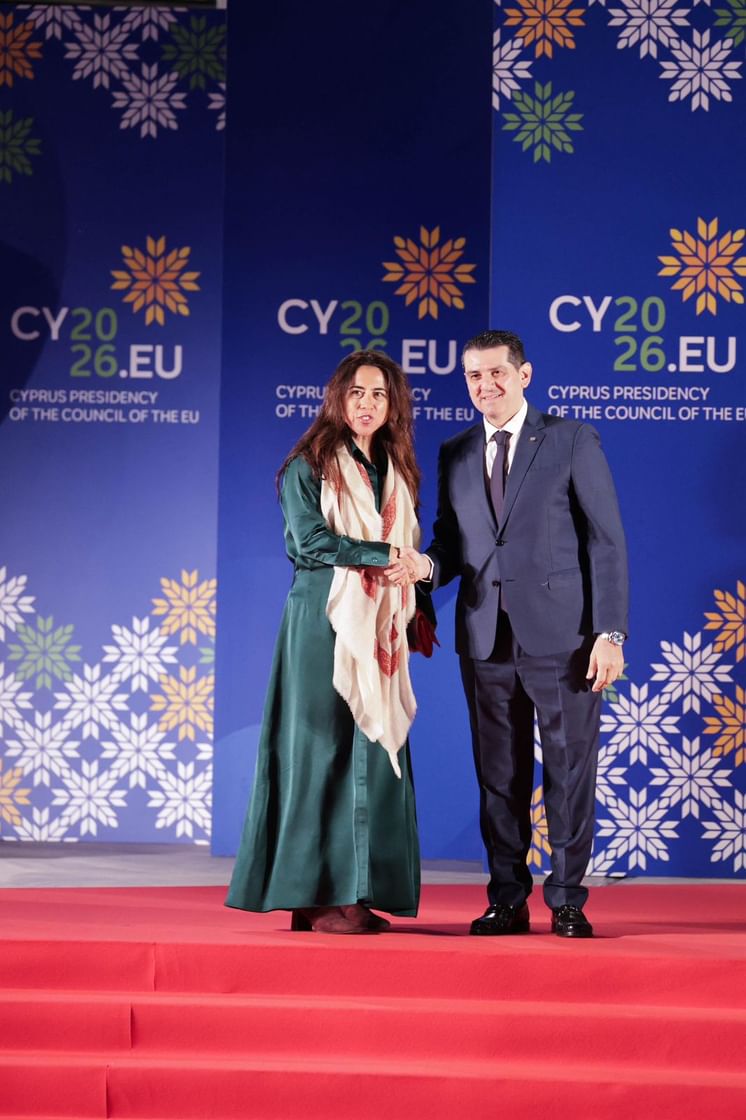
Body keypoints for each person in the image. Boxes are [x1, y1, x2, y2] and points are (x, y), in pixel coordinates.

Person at [402, 329, 628, 938]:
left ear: (524, 375)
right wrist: (426, 567)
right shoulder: (455, 451)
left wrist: (610, 632)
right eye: (474, 376)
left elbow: (606, 542)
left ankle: (568, 899)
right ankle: (507, 899)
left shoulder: (571, 439)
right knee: (498, 777)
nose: (486, 385)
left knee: (569, 770)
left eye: (497, 373)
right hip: (484, 639)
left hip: (566, 639)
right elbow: (451, 542)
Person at [226, 350, 422, 934]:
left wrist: (416, 597)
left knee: (370, 749)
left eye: (379, 394)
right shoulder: (307, 465)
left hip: (379, 620)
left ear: (393, 405)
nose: (367, 404)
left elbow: (407, 549)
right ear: (338, 398)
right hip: (321, 617)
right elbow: (310, 543)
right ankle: (309, 896)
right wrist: (384, 555)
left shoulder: (394, 469)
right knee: (320, 751)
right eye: (357, 392)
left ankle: (354, 893)